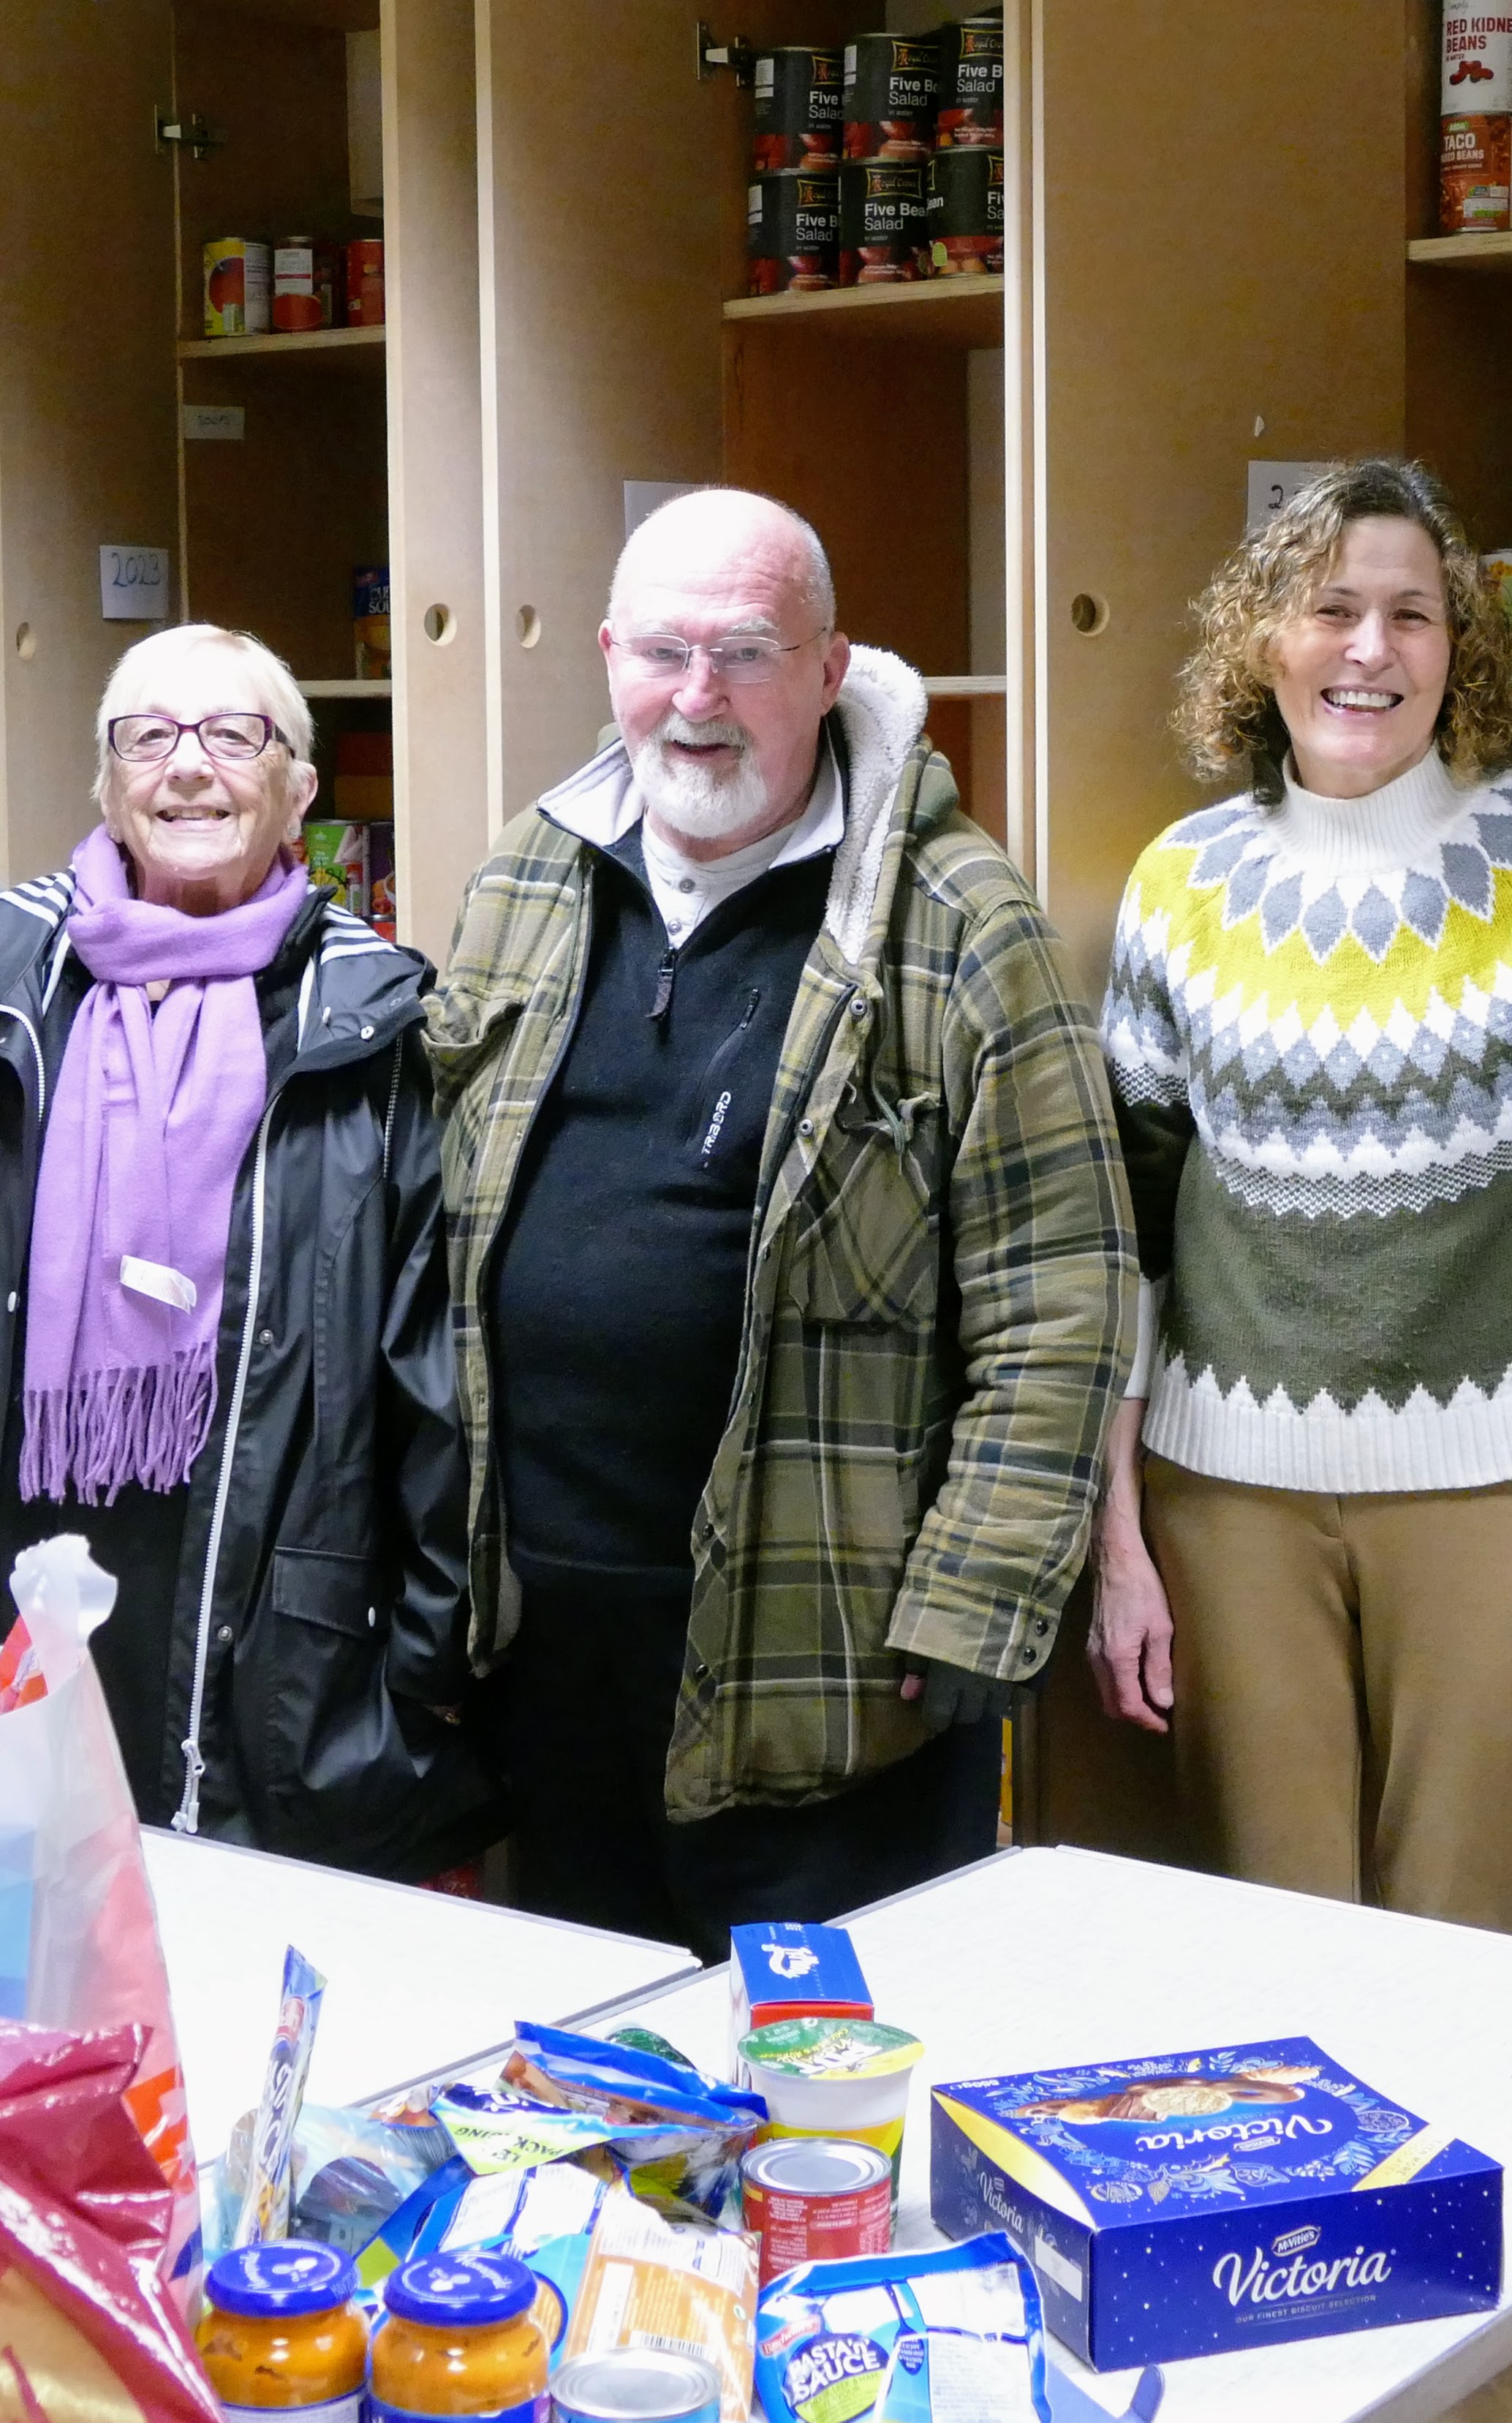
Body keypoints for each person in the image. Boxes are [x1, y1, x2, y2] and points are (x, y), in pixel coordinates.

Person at [428, 486, 1135, 1951]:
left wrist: (977, 1603)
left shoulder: (955, 916)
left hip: (831, 1654)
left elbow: (1065, 1282)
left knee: (815, 2110)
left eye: (745, 653)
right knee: (591, 2091)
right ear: (611, 656)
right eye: (663, 653)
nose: (697, 700)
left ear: (832, 668)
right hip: (544, 1646)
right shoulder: (529, 874)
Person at [1084, 458, 1512, 1935]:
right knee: (1271, 1961)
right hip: (1226, 1506)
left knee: (1465, 1955)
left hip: (1497, 1499)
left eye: (1413, 616)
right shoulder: (1180, 885)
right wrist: (1119, 1543)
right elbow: (1129, 1244)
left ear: (1458, 648)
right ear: (1266, 641)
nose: (1372, 649)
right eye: (1333, 609)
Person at [0, 624, 485, 1879]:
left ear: (298, 791)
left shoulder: (377, 1015)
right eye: (149, 738)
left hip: (263, 1626)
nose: (189, 769)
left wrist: (428, 1667)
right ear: (106, 784)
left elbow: (432, 1381)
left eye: (235, 735)